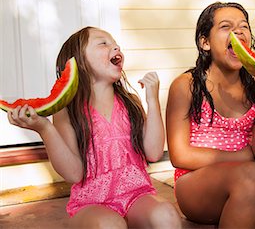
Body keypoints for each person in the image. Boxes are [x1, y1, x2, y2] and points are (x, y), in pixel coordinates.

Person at [7, 26, 181, 229]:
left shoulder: (130, 101)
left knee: (167, 215)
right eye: (103, 43)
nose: (115, 46)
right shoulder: (67, 110)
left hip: (136, 194)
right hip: (90, 203)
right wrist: (45, 129)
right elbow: (74, 174)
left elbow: (153, 152)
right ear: (79, 61)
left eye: (115, 42)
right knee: (110, 225)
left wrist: (152, 100)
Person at [166, 2, 255, 228]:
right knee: (252, 174)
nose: (238, 31)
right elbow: (180, 156)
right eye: (226, 26)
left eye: (244, 26)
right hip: (196, 185)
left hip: (251, 181)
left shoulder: (254, 86)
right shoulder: (186, 85)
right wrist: (243, 157)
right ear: (204, 42)